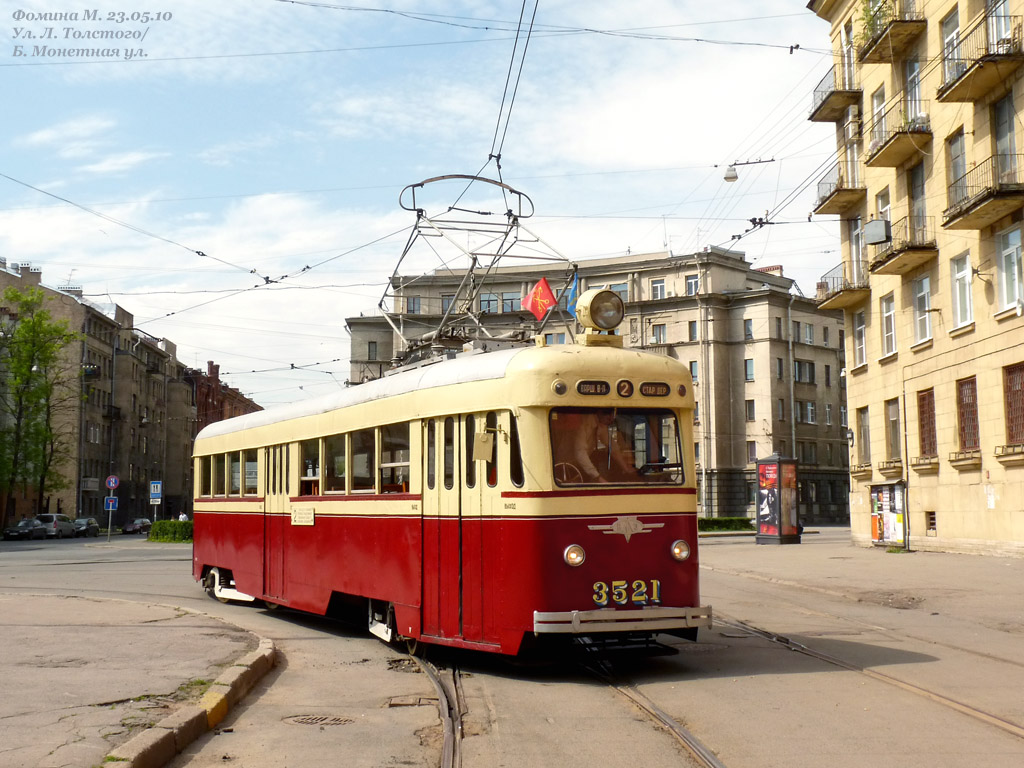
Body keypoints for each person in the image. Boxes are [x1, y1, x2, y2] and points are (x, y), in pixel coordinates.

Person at [573, 410, 638, 483]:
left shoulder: (600, 424)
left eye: (612, 417)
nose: (611, 421)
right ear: (599, 412)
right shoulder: (583, 423)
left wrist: (626, 468)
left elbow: (612, 446)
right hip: (569, 465)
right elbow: (580, 453)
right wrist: (598, 478)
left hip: (583, 466)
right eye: (608, 417)